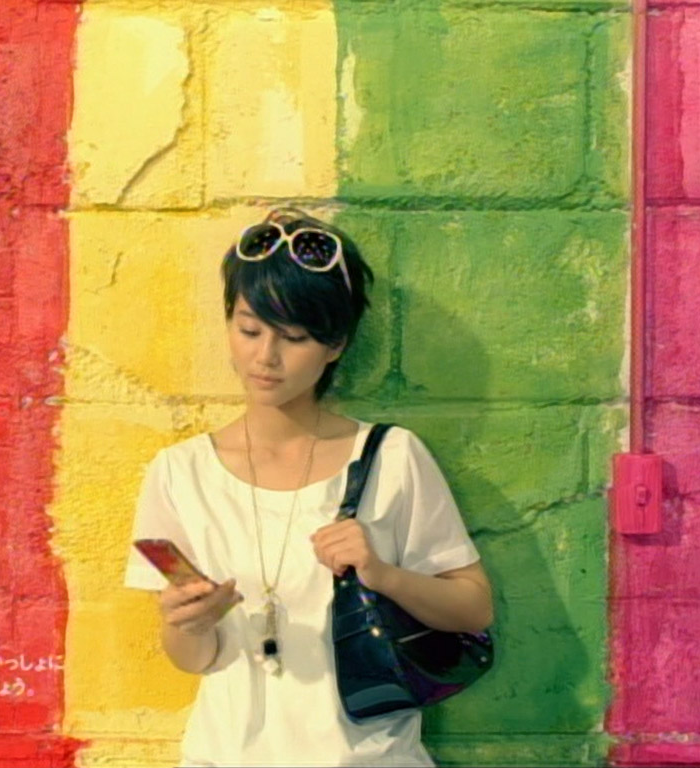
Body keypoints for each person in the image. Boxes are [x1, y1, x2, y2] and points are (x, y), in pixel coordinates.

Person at [124, 208, 493, 767]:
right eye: (249, 329)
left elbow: (474, 609)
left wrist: (383, 575)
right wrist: (189, 622)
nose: (265, 357)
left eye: (293, 337)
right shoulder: (178, 474)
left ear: (335, 344)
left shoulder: (392, 457)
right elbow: (193, 659)